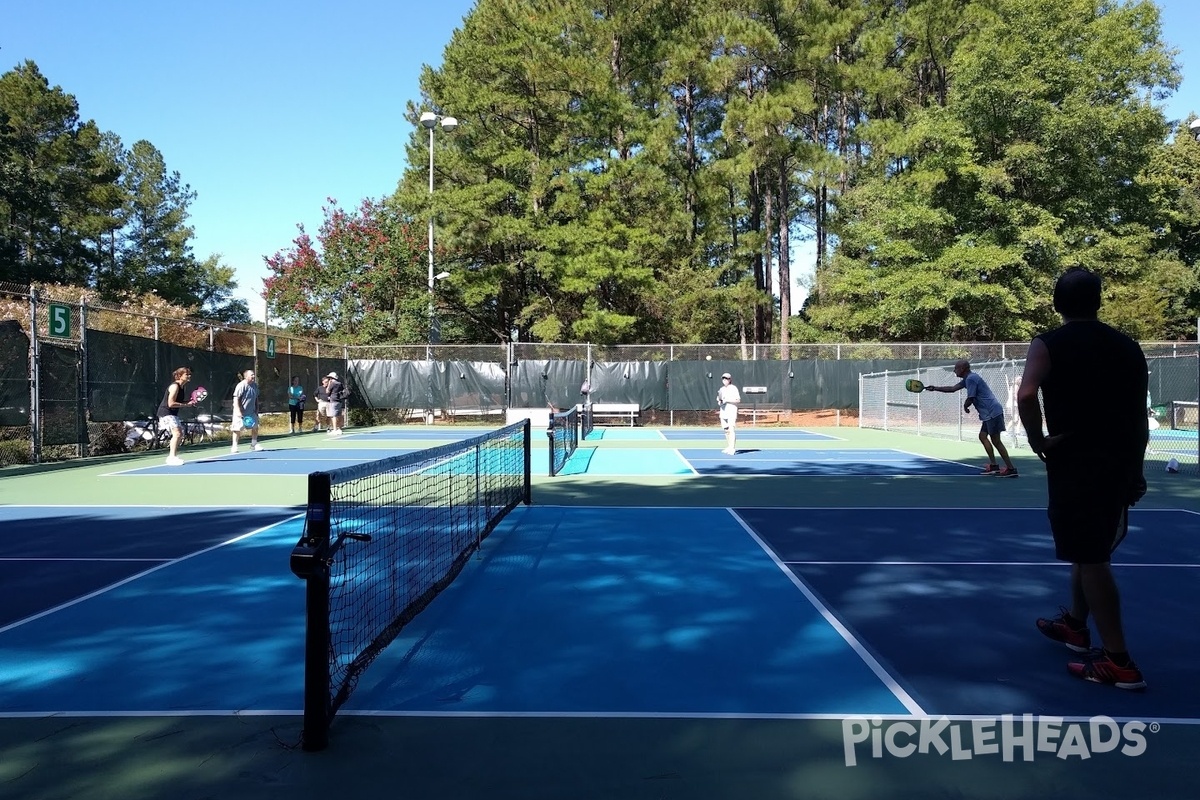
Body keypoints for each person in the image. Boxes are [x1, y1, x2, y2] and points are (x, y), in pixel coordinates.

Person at [1018, 267, 1148, 690]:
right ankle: (1075, 625)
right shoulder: (1129, 348)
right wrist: (1137, 470)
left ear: (1057, 303)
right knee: (1087, 548)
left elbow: (1025, 394)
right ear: (1098, 301)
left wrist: (1039, 440)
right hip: (1119, 463)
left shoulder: (1048, 344)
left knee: (1093, 559)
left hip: (1075, 463)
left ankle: (1119, 661)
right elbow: (1138, 419)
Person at [925, 361, 1018, 477]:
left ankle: (1011, 468)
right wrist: (934, 388)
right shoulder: (968, 379)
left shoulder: (971, 379)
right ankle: (994, 466)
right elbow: (952, 388)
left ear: (963, 368)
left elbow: (971, 397)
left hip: (992, 412)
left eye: (956, 368)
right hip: (988, 413)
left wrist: (965, 405)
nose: (954, 370)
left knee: (996, 441)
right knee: (983, 436)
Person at [158, 367, 198, 466]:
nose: (189, 376)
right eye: (187, 374)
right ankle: (172, 457)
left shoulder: (182, 387)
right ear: (180, 376)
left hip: (172, 414)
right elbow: (171, 403)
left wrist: (189, 402)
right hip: (166, 412)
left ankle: (172, 456)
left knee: (179, 434)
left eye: (190, 374)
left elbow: (178, 402)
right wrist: (185, 405)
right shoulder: (175, 386)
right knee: (177, 434)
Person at [230, 369, 264, 453]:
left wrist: (257, 408)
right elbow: (236, 398)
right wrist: (238, 411)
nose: (253, 376)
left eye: (253, 375)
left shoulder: (254, 386)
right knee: (237, 429)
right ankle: (234, 446)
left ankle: (254, 444)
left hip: (251, 411)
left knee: (255, 427)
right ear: (246, 377)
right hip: (240, 412)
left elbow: (256, 398)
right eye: (251, 375)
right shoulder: (241, 385)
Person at [716, 372, 741, 455]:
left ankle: (733, 448)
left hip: (731, 411)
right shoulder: (721, 389)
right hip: (723, 412)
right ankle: (729, 446)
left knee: (731, 429)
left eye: (726, 378)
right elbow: (719, 400)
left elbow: (738, 400)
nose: (724, 380)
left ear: (730, 380)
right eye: (723, 378)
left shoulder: (733, 388)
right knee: (726, 430)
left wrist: (727, 400)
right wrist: (720, 402)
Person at [325, 372, 345, 437]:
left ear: (332, 378)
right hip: (339, 400)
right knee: (338, 415)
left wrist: (329, 385)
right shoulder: (340, 383)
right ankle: (339, 429)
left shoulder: (332, 383)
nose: (329, 379)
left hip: (333, 401)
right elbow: (342, 390)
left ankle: (335, 430)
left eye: (330, 378)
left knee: (333, 416)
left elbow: (327, 391)